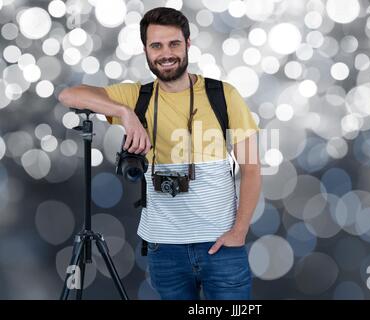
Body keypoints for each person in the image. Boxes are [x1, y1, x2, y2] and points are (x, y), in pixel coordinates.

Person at [58, 7, 261, 300]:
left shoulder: (223, 95)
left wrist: (239, 231)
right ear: (146, 51)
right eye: (157, 46)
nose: (166, 53)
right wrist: (124, 113)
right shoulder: (135, 97)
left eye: (174, 44)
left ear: (188, 44)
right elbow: (69, 95)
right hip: (164, 250)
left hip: (221, 246)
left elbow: (252, 169)